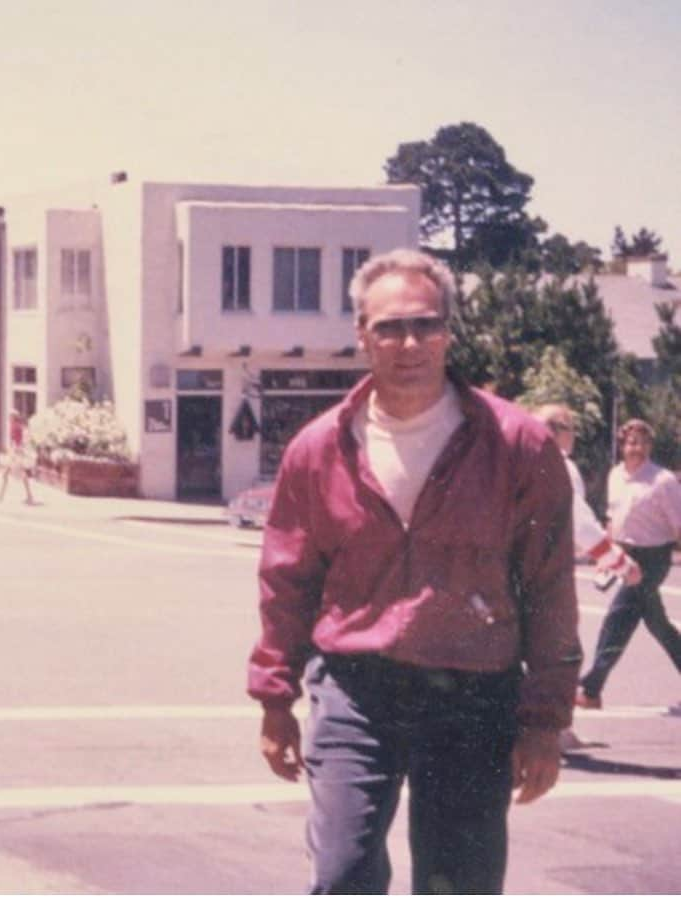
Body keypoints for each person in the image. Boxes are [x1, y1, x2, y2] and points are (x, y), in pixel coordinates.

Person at [247, 249, 581, 895]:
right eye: (389, 327)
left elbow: (547, 589)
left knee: (457, 884)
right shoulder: (318, 448)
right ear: (360, 334)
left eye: (425, 325)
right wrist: (273, 697)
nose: (409, 342)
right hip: (355, 690)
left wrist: (543, 719)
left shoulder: (516, 443)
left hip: (472, 691)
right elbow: (285, 581)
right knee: (341, 873)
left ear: (449, 332)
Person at [532, 404, 641, 751]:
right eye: (570, 428)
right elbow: (580, 523)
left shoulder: (509, 462)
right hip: (546, 573)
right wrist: (619, 562)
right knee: (562, 654)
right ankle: (557, 732)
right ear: (557, 430)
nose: (574, 436)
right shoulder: (560, 465)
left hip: (505, 571)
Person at [576, 418, 681, 709]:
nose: (638, 448)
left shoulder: (663, 481)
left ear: (650, 446)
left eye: (644, 442)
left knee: (618, 619)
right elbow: (612, 518)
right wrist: (606, 556)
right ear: (623, 445)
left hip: (654, 558)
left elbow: (679, 526)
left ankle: (591, 688)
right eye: (632, 442)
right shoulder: (615, 476)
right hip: (624, 554)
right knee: (659, 625)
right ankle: (592, 688)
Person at [0, 410, 36, 505]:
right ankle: (29, 496)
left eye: (10, 417)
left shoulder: (16, 427)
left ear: (13, 418)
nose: (9, 419)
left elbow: (17, 442)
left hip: (15, 455)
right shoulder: (16, 427)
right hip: (15, 454)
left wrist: (12, 452)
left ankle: (1, 496)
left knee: (13, 475)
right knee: (16, 475)